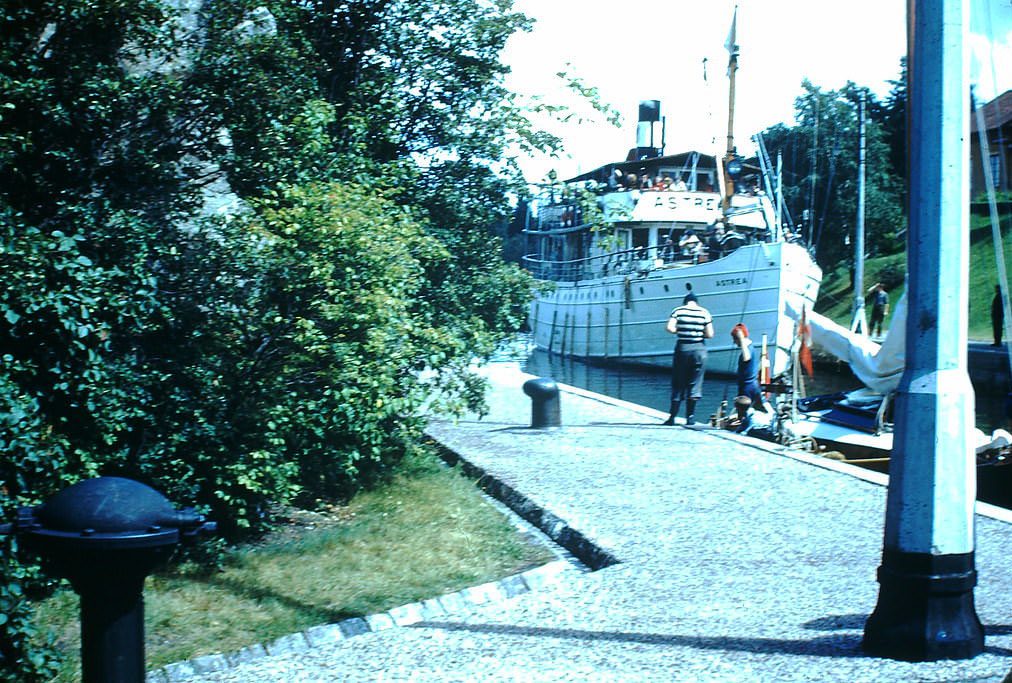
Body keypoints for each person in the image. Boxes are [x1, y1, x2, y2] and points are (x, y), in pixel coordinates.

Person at [663, 292, 714, 425]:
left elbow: (669, 328)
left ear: (685, 301)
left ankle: (672, 418)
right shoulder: (704, 312)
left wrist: (679, 331)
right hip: (699, 350)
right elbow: (710, 334)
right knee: (695, 383)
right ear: (696, 302)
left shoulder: (678, 311)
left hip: (683, 349)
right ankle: (690, 418)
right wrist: (698, 333)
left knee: (678, 382)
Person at [730, 323, 768, 413]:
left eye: (734, 339)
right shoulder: (750, 347)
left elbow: (746, 358)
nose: (734, 342)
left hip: (747, 386)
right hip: (752, 385)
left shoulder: (747, 349)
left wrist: (741, 338)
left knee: (743, 412)